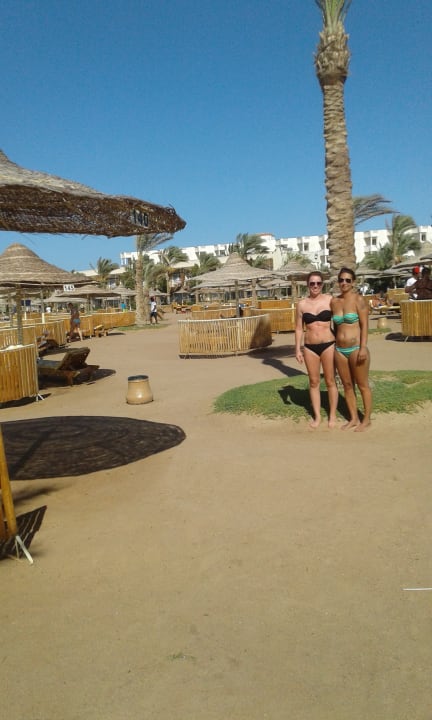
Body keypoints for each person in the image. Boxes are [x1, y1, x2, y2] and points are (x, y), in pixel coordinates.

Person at [331, 267, 372, 432]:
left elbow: (365, 325)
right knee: (347, 385)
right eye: (341, 280)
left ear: (353, 282)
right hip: (340, 350)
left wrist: (363, 348)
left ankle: (366, 419)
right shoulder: (334, 302)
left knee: (362, 385)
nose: (344, 283)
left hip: (356, 348)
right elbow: (335, 326)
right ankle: (354, 418)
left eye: (348, 280)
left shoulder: (358, 300)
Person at [295, 271, 338, 428]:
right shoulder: (302, 305)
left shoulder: (330, 300)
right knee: (313, 382)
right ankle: (318, 416)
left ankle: (332, 415)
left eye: (318, 283)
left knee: (330, 380)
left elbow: (339, 321)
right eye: (312, 283)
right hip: (310, 347)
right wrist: (297, 349)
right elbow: (299, 328)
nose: (315, 286)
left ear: (322, 284)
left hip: (329, 344)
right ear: (308, 285)